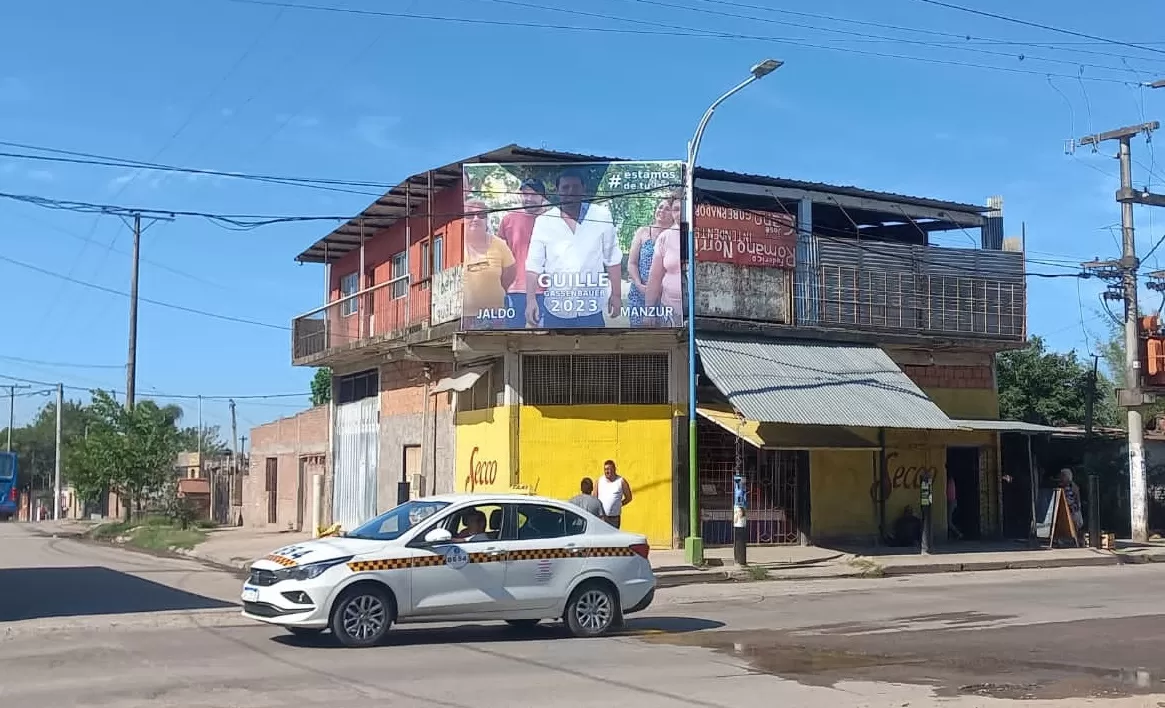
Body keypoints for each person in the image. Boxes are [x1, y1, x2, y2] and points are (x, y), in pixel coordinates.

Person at [524, 169, 623, 328]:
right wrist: (530, 300)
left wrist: (617, 295)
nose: (571, 192)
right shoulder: (544, 221)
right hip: (556, 309)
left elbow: (612, 259)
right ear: (558, 191)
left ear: (583, 189)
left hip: (591, 309)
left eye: (576, 187)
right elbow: (533, 265)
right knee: (555, 353)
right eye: (566, 188)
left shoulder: (601, 216)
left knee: (594, 353)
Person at [499, 178, 547, 328]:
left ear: (542, 196)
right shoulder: (508, 219)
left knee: (545, 337)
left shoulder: (553, 219)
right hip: (515, 288)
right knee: (514, 337)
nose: (528, 199)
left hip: (544, 288)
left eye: (533, 194)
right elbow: (499, 254)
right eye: (525, 194)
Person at [462, 198, 517, 329]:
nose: (476, 219)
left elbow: (510, 274)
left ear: (486, 220)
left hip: (495, 317)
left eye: (481, 215)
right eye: (470, 215)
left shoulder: (499, 244)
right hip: (464, 319)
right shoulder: (454, 245)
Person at [626, 197, 676, 327]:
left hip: (664, 298)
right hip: (639, 295)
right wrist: (639, 285)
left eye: (667, 209)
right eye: (660, 207)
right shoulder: (643, 232)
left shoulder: (675, 236)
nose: (662, 211)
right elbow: (632, 263)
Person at [643, 192, 683, 327]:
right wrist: (648, 312)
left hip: (699, 312)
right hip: (669, 311)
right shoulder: (665, 237)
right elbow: (654, 278)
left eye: (684, 208)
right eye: (676, 209)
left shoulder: (705, 234)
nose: (680, 213)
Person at [595, 460, 632, 528]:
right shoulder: (599, 481)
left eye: (609, 469)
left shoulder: (621, 481)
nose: (607, 471)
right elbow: (594, 498)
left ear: (614, 469)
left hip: (614, 519)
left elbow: (629, 498)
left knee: (613, 538)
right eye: (605, 469)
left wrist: (619, 504)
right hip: (601, 518)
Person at [1059, 468, 1084, 543]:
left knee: (1076, 523)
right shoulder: (1060, 487)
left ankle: (1076, 540)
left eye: (1063, 476)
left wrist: (1077, 508)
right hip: (1063, 509)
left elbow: (1077, 499)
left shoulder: (1074, 487)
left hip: (1073, 509)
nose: (1061, 478)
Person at [946, 473, 963, 540]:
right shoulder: (952, 482)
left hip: (951, 502)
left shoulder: (949, 482)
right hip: (953, 502)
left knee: (949, 521)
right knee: (949, 521)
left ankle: (959, 534)